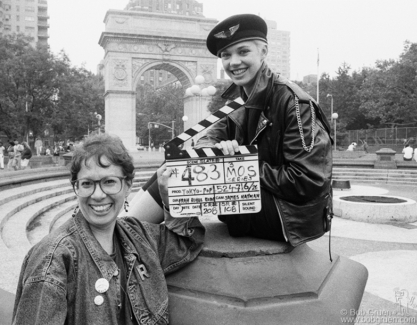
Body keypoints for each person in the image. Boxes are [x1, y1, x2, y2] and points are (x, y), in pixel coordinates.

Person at [129, 14, 333, 247]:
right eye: (226, 55)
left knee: (179, 180)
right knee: (172, 169)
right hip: (258, 199)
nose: (233, 62)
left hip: (291, 215)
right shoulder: (242, 99)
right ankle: (125, 229)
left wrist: (239, 164)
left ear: (263, 51)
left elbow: (307, 182)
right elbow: (209, 136)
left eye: (243, 52)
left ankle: (126, 238)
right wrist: (213, 154)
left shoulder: (295, 103)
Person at [12, 133, 205, 325]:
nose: (98, 195)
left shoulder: (139, 236)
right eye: (87, 184)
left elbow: (188, 240)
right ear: (75, 187)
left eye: (109, 182)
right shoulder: (53, 259)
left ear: (128, 185)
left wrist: (171, 200)